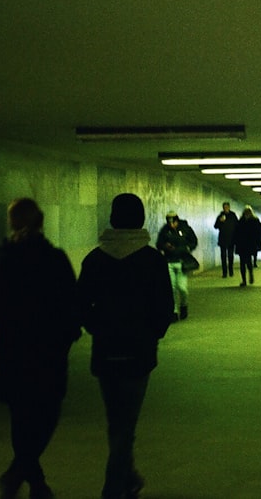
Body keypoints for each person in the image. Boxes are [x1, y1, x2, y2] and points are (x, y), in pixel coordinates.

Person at [0, 198, 81, 499]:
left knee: (21, 416)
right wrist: (67, 334)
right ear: (41, 221)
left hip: (14, 347)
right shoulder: (54, 258)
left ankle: (28, 477)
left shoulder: (1, 258)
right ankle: (26, 476)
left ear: (12, 223)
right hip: (48, 348)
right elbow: (71, 303)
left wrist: (9, 322)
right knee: (48, 412)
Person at [77, 193, 174, 499]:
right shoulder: (152, 260)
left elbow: (79, 304)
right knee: (125, 423)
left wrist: (97, 326)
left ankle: (127, 476)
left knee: (116, 420)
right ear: (141, 219)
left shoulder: (94, 259)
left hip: (106, 349)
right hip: (139, 350)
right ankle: (114, 486)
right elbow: (164, 307)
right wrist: (152, 333)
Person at [156, 211, 198, 321]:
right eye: (169, 222)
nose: (171, 225)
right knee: (172, 288)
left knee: (182, 288)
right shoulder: (165, 230)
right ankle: (173, 312)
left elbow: (194, 241)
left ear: (177, 221)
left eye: (173, 222)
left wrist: (188, 248)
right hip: (169, 262)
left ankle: (183, 306)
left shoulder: (185, 228)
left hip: (182, 262)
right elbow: (158, 244)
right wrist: (165, 246)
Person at [233, 206, 261, 286]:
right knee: (245, 262)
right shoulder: (251, 221)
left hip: (246, 244)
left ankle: (247, 278)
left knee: (245, 262)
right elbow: (260, 232)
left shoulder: (242, 221)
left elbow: (259, 232)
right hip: (246, 244)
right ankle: (247, 277)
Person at [213, 202, 238, 278]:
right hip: (223, 239)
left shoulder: (233, 215)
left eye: (227, 207)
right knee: (223, 256)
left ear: (229, 207)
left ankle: (231, 270)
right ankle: (224, 272)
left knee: (230, 256)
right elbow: (215, 226)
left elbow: (237, 225)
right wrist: (220, 221)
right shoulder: (220, 216)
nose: (226, 209)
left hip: (232, 239)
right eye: (224, 207)